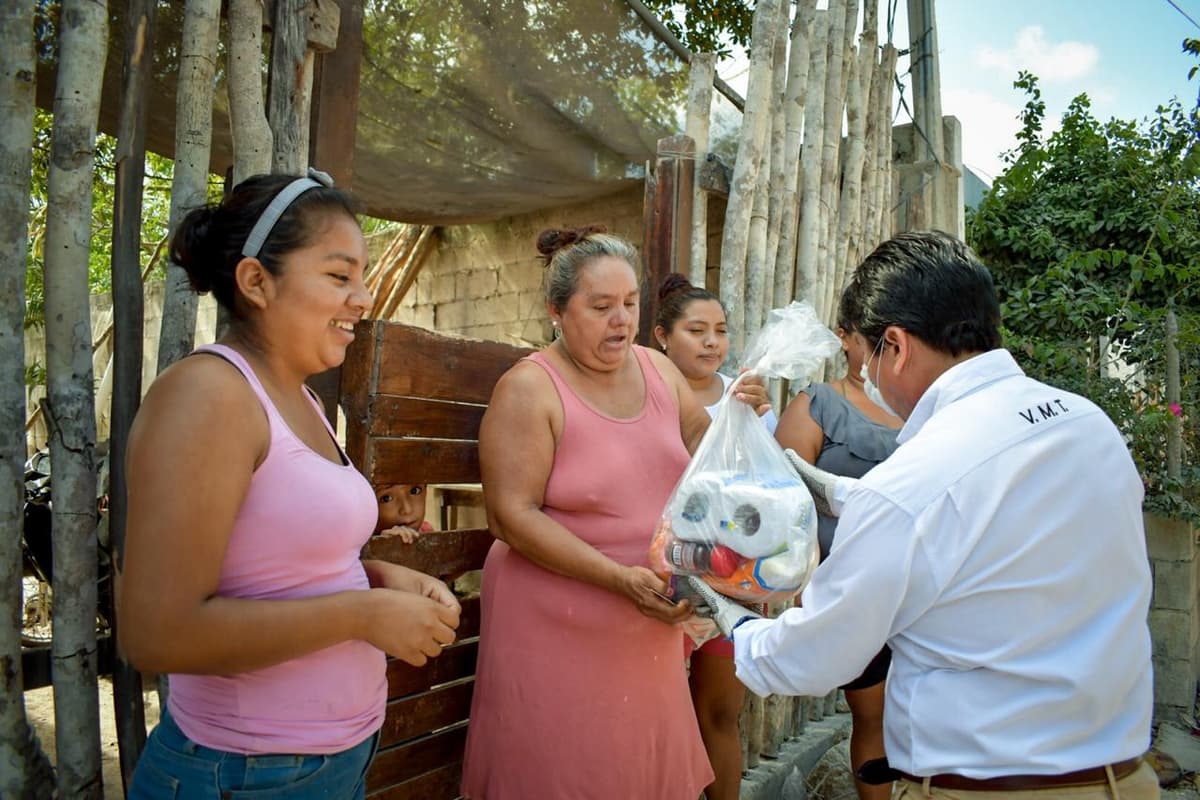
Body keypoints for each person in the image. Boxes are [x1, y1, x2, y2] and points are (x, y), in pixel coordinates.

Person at [730, 231, 1157, 799]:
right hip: (1123, 779)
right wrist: (842, 492)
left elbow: (814, 657)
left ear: (896, 347)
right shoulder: (1087, 424)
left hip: (983, 788)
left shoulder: (912, 481)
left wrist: (732, 624)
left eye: (867, 357)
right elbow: (992, 527)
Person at [119, 171, 461, 800]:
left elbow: (274, 569)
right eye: (338, 276)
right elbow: (154, 632)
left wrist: (379, 580)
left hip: (330, 763)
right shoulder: (208, 397)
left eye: (361, 278)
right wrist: (363, 614)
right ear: (257, 282)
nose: (362, 297)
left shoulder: (300, 399)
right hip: (243, 772)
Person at [460, 227, 768, 799]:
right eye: (601, 307)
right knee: (562, 773)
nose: (621, 320)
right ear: (556, 310)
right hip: (556, 624)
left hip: (645, 616)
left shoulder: (657, 369)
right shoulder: (529, 390)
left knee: (638, 774)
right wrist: (618, 579)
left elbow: (710, 453)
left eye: (629, 303)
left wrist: (741, 420)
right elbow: (511, 516)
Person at [651, 272, 775, 800]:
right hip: (663, 577)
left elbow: (766, 491)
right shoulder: (644, 392)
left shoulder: (743, 395)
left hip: (733, 579)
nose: (712, 342)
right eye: (696, 330)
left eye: (720, 331)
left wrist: (760, 420)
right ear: (661, 337)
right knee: (658, 713)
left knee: (719, 714)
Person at [774, 319, 901, 800]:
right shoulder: (818, 404)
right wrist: (807, 586)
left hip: (926, 590)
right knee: (874, 714)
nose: (879, 355)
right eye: (870, 341)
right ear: (843, 336)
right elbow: (784, 502)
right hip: (853, 591)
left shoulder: (924, 411)